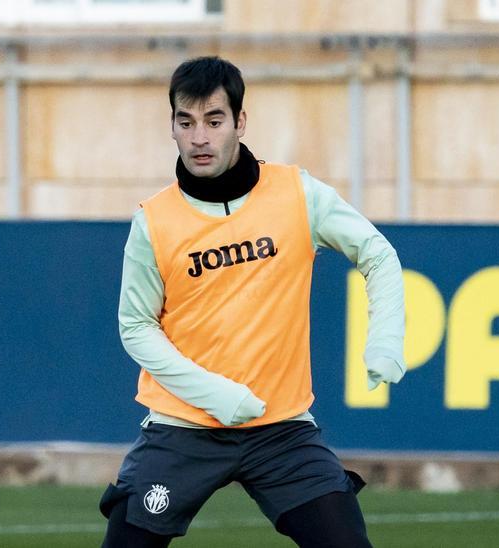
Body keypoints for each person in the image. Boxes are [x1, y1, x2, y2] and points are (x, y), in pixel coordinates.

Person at [101, 56, 407, 548]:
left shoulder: (297, 194)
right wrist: (214, 394)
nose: (200, 137)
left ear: (240, 123)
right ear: (173, 127)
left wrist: (386, 339)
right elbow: (136, 327)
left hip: (281, 429)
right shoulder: (153, 223)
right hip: (183, 429)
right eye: (187, 122)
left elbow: (377, 254)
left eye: (214, 121)